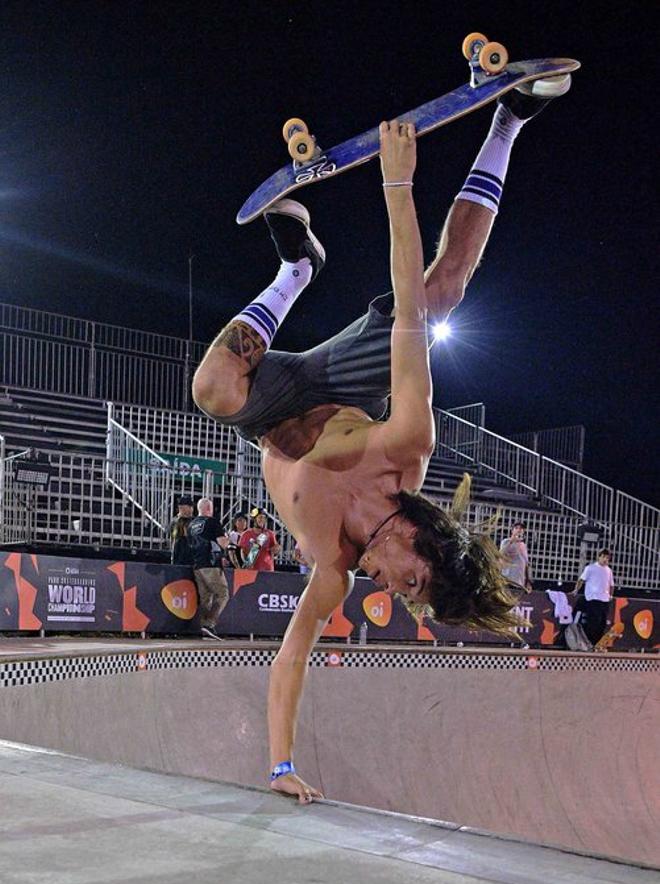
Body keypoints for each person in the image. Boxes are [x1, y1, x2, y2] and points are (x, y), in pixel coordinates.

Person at [193, 77, 571, 802]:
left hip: (270, 411)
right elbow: (403, 313)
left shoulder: (333, 567)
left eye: (409, 600)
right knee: (440, 293)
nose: (394, 591)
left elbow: (292, 657)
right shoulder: (407, 446)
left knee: (211, 389)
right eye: (415, 584)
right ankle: (509, 124)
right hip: (342, 384)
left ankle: (295, 269)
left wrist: (280, 767)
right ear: (426, 545)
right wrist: (398, 186)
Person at [187, 497, 230, 639]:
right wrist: (228, 538)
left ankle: (205, 630)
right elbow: (223, 543)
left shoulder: (191, 525)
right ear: (208, 509)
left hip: (197, 565)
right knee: (223, 594)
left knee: (206, 597)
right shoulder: (212, 522)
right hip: (211, 565)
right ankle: (209, 624)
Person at [572, 549, 614, 646]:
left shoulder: (609, 570)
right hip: (593, 599)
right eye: (603, 557)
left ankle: (597, 644)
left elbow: (611, 585)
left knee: (602, 624)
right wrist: (576, 590)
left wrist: (610, 595)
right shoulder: (590, 568)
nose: (605, 560)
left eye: (607, 558)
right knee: (593, 623)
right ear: (599, 557)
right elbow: (581, 580)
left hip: (605, 599)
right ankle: (589, 643)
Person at [499, 521, 532, 592]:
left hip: (519, 582)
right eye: (516, 528)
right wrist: (511, 541)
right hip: (507, 580)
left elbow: (526, 564)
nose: (519, 530)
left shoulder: (523, 545)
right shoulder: (506, 541)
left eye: (521, 529)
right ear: (512, 530)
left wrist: (528, 581)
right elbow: (500, 554)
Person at [169, 495, 194, 566]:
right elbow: (174, 535)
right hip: (178, 554)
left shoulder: (195, 521)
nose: (181, 510)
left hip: (192, 557)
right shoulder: (176, 521)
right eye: (180, 507)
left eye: (183, 507)